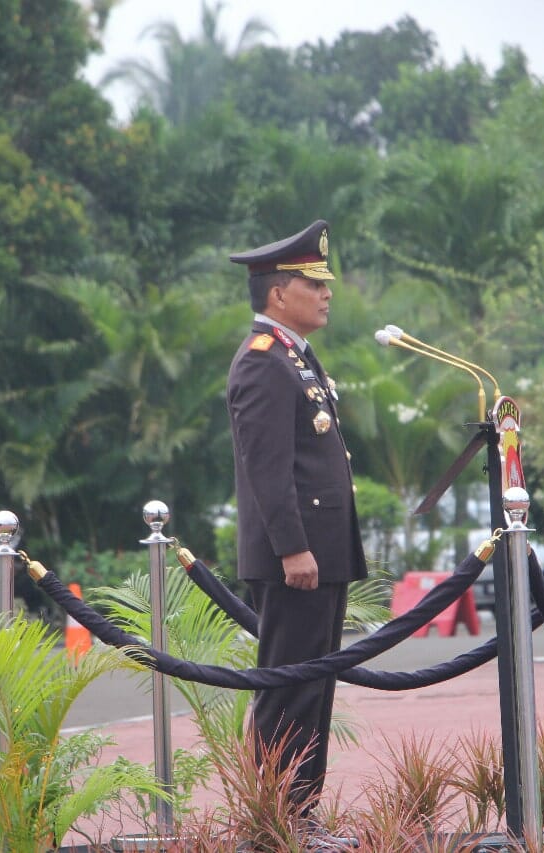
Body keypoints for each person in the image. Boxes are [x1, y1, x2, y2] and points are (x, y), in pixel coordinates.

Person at [226, 220, 367, 847]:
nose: (327, 294)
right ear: (279, 294)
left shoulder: (295, 358)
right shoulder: (264, 364)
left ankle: (301, 819)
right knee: (289, 692)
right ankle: (277, 824)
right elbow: (268, 470)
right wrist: (293, 548)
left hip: (320, 555)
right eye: (314, 284)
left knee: (313, 691)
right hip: (297, 560)